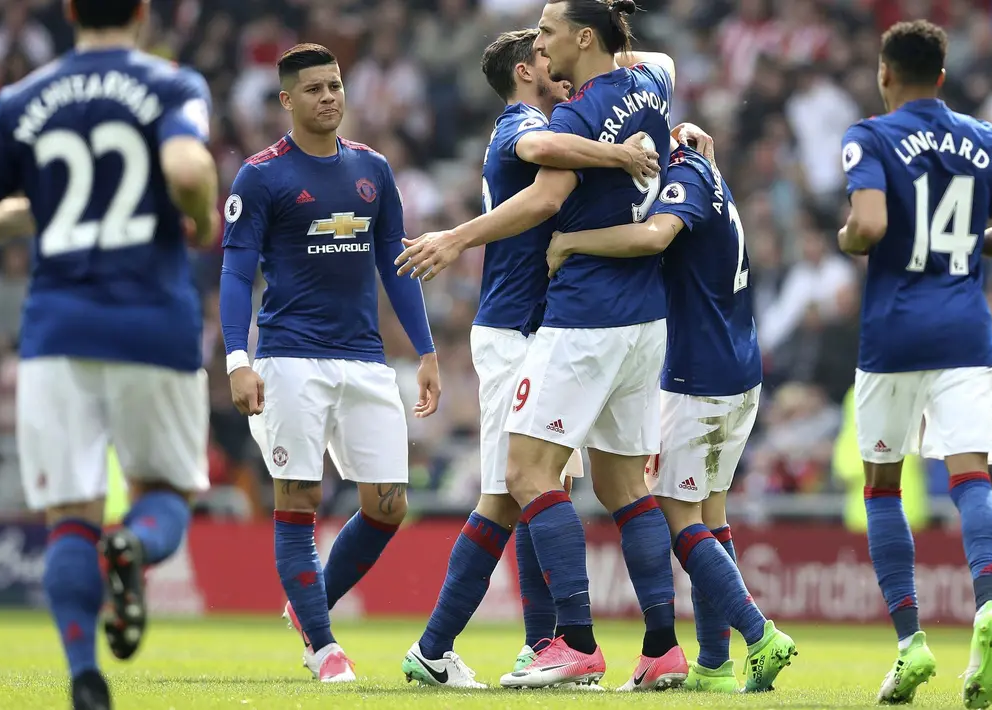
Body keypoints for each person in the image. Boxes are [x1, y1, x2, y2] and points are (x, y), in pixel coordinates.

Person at [396, 0, 684, 691]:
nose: (547, 47)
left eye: (552, 32)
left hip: (573, 323)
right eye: (539, 42)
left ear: (581, 41)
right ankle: (638, 648)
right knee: (569, 488)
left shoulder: (576, 108)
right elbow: (546, 146)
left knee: (527, 482)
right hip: (591, 323)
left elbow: (550, 188)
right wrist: (628, 141)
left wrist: (454, 236)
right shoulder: (572, 107)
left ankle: (559, 642)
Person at [0, 0, 220, 707]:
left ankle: (82, 675)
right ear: (144, 11)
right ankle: (136, 547)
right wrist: (199, 215)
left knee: (70, 512)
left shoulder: (20, 97)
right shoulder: (171, 83)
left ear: (68, 11)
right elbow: (188, 171)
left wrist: (44, 208)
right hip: (151, 323)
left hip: (56, 330)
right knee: (164, 493)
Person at [219, 43, 440, 684]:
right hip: (290, 359)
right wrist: (239, 357)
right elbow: (236, 273)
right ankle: (323, 646)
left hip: (366, 360)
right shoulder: (261, 176)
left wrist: (425, 351)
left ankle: (306, 605)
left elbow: (394, 268)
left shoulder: (373, 169)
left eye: (336, 85)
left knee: (389, 505)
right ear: (287, 100)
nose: (329, 97)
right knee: (299, 497)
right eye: (313, 89)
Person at [547, 138, 797, 693]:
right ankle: (713, 663)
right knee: (708, 514)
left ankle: (760, 636)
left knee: (678, 517)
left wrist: (572, 241)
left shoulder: (683, 174)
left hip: (698, 378)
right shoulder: (702, 164)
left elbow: (657, 235)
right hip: (738, 370)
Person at [837, 19, 992, 709]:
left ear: (885, 73)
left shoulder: (868, 135)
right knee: (969, 476)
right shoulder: (984, 140)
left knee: (882, 489)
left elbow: (867, 226)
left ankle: (910, 643)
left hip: (892, 335)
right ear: (942, 77)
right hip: (963, 332)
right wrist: (958, 240)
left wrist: (845, 236)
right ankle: (987, 602)